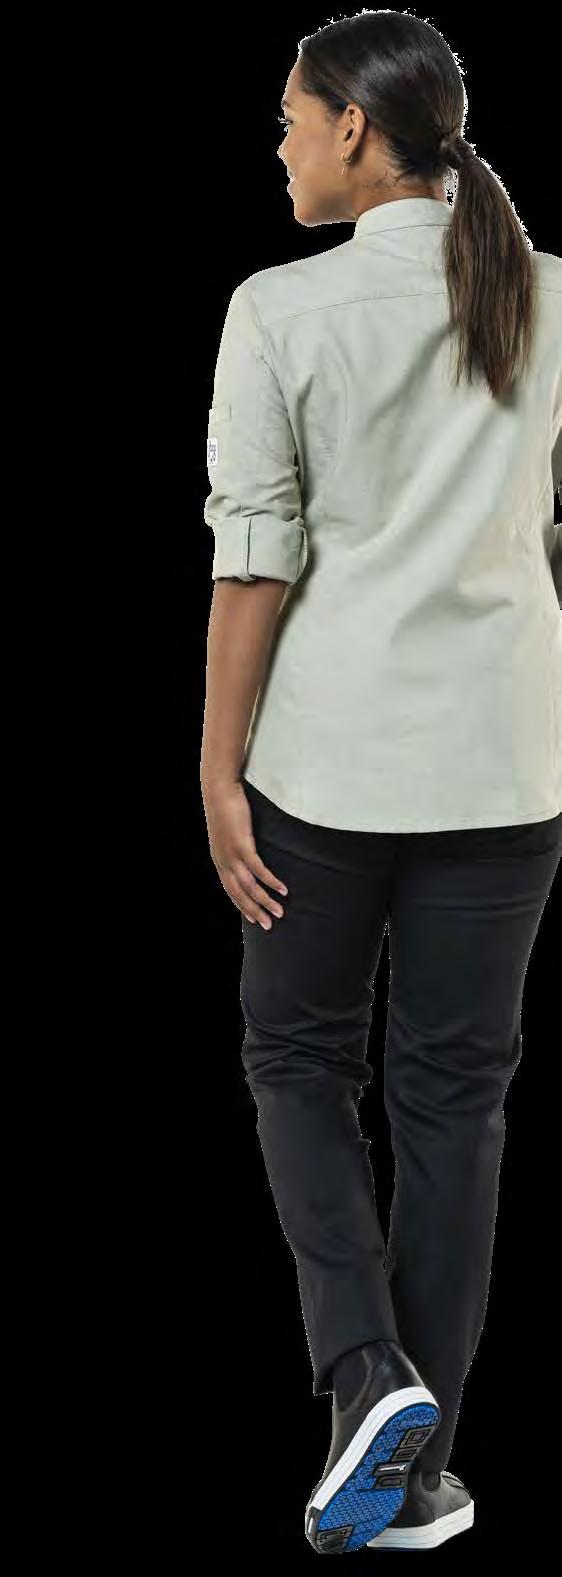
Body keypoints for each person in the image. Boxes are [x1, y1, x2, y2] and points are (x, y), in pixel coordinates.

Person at [200, 9, 562, 1554]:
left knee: (296, 1060)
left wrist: (214, 764)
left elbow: (255, 556)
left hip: (330, 773)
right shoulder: (539, 294)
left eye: (291, 119)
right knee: (453, 1105)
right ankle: (416, 1476)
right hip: (505, 775)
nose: (281, 145)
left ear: (354, 127)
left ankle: (363, 1373)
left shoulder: (281, 308)